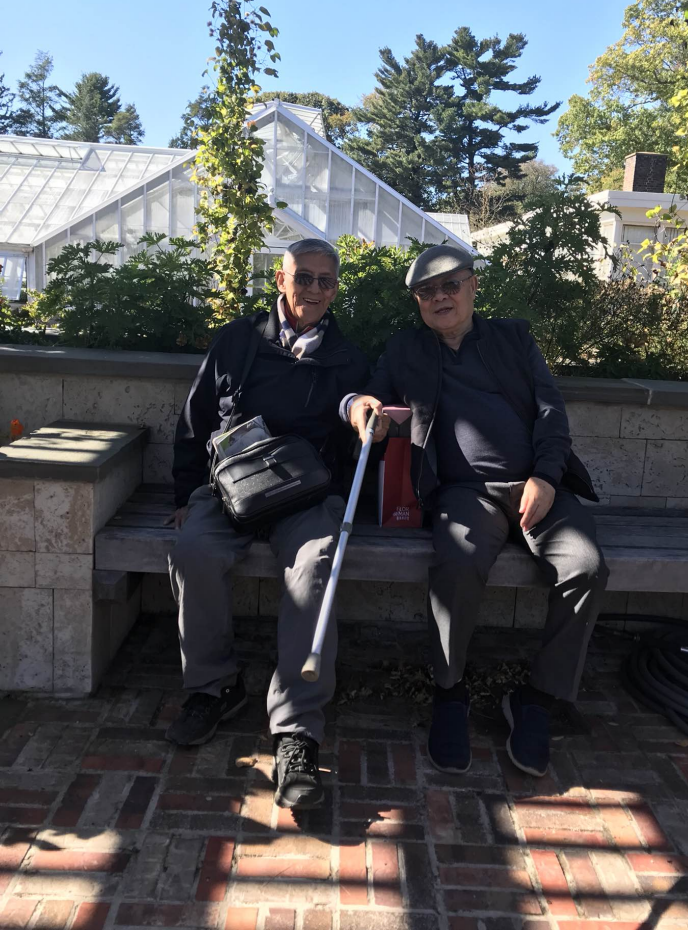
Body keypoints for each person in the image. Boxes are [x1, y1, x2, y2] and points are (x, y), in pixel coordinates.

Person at [346, 245, 608, 779]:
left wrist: (546, 477)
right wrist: (362, 407)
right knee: (459, 561)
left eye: (451, 285)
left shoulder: (513, 338)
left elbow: (551, 411)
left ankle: (537, 699)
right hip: (465, 494)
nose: (440, 297)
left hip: (539, 485)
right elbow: (371, 396)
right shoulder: (405, 349)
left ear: (473, 285)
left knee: (586, 567)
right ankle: (449, 692)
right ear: (417, 301)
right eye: (426, 291)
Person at [167, 238, 385, 811]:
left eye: (325, 281)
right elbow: (194, 419)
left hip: (305, 493)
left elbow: (353, 404)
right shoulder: (238, 340)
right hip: (233, 488)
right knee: (193, 551)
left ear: (334, 290)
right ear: (281, 279)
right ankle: (214, 688)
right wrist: (186, 493)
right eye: (303, 277)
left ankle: (296, 732)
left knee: (314, 568)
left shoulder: (347, 357)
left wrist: (362, 412)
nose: (313, 289)